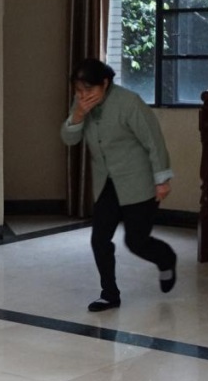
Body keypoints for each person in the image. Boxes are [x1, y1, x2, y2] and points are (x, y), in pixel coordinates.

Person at [60, 58, 177, 312]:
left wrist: (162, 179)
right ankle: (109, 294)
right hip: (106, 182)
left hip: (138, 180)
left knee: (136, 241)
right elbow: (69, 139)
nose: (83, 96)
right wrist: (77, 115)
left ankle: (166, 258)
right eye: (78, 90)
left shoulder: (129, 102)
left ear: (105, 83)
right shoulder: (80, 105)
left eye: (89, 89)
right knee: (99, 240)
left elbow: (153, 141)